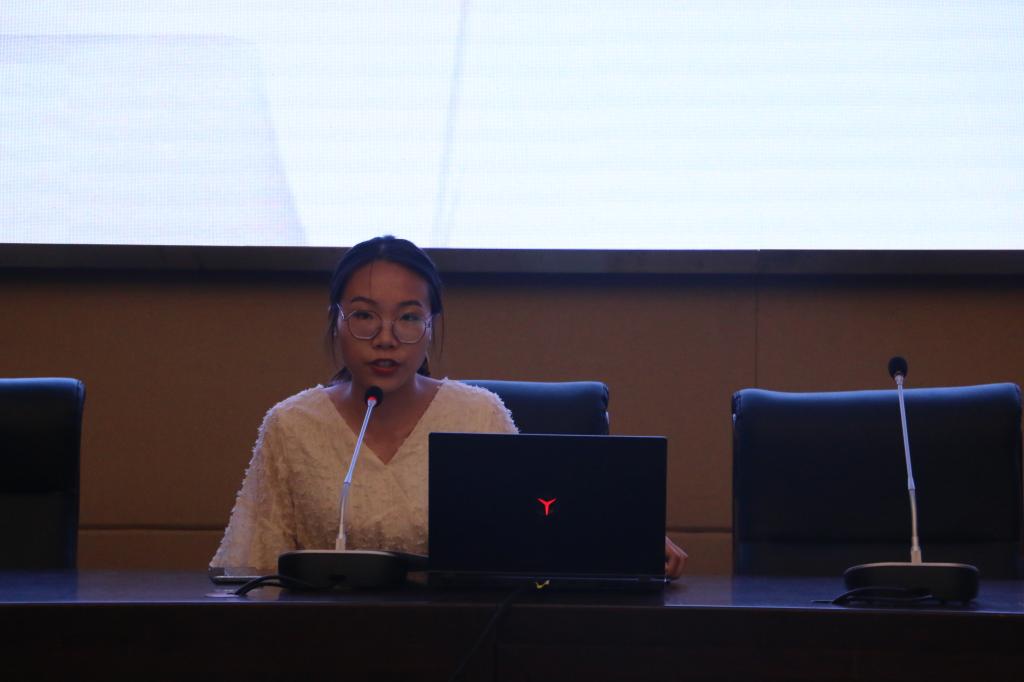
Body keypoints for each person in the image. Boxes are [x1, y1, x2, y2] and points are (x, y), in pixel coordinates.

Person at [211, 235, 687, 577]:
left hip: (462, 643)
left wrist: (622, 541)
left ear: (430, 327)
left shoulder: (478, 416)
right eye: (364, 315)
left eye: (408, 317)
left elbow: (537, 535)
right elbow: (252, 571)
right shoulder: (291, 424)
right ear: (335, 322)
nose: (385, 338)